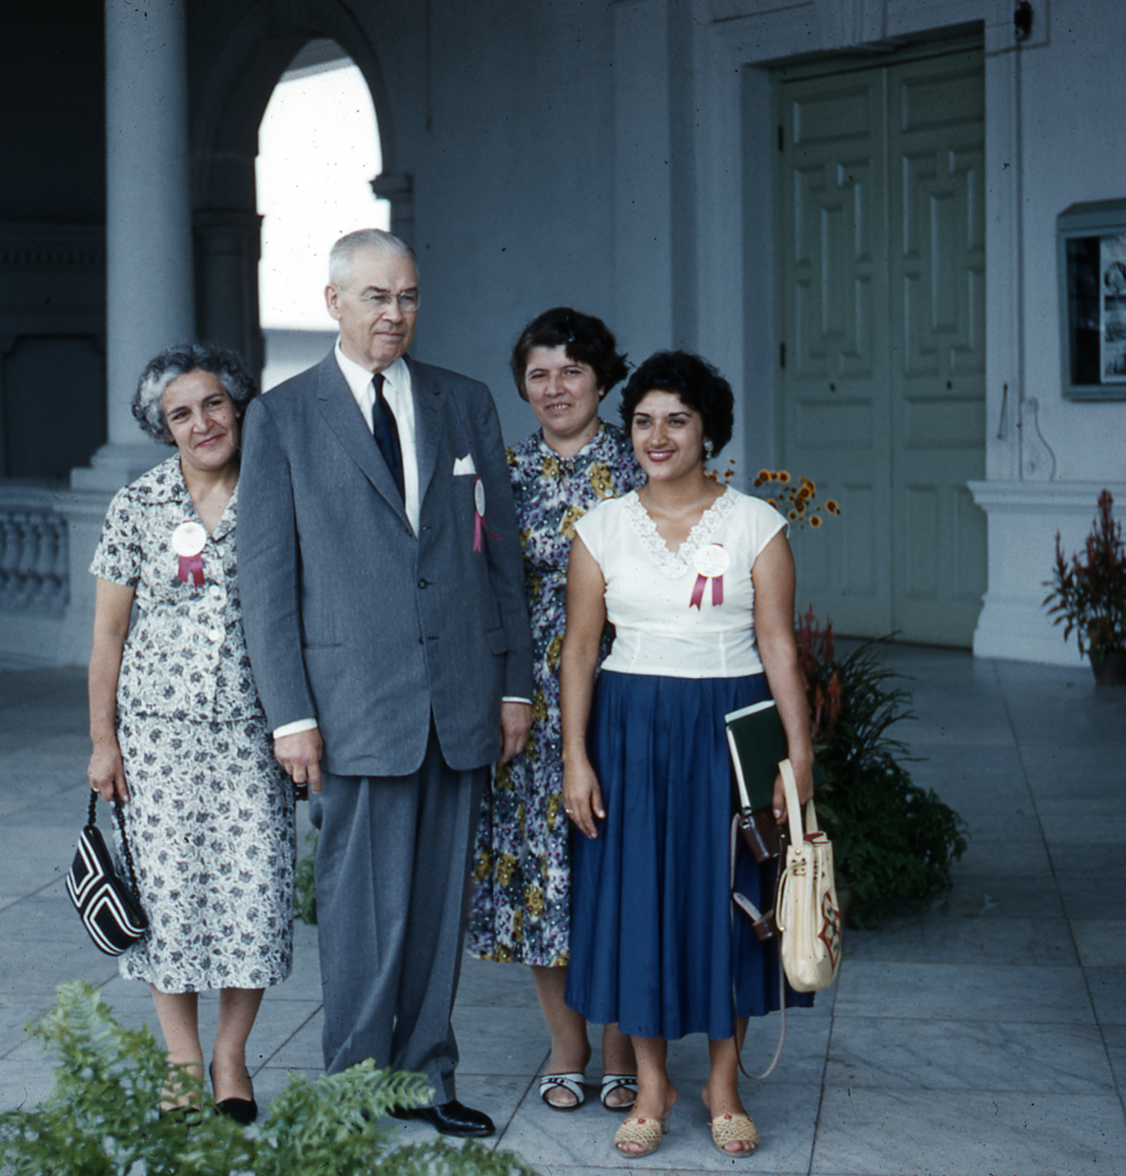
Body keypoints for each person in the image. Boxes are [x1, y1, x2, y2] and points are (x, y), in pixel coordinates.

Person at [238, 229, 532, 1139]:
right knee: (362, 908)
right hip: (351, 703)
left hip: (459, 694)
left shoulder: (464, 401)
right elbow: (266, 584)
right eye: (376, 297)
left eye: (407, 297)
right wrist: (290, 715)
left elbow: (500, 557)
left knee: (439, 906)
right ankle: (351, 1088)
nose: (395, 314)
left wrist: (514, 687)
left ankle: (427, 1077)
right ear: (334, 302)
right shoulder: (282, 417)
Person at [560, 350, 815, 1160]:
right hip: (630, 730)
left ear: (709, 430)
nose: (658, 436)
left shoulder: (756, 524)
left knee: (731, 901)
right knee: (641, 902)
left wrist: (798, 754)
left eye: (677, 420)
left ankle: (723, 1084)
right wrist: (575, 757)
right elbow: (579, 651)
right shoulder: (600, 528)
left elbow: (778, 645)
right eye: (643, 421)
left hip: (732, 727)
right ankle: (652, 1085)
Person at [85, 342, 293, 1126]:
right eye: (181, 414)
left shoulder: (277, 493)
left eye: (213, 404)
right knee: (168, 900)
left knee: (254, 896)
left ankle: (230, 1058)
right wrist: (103, 741)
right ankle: (181, 1061)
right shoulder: (138, 505)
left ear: (238, 406)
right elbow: (108, 636)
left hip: (254, 735)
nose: (202, 423)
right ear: (162, 428)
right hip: (156, 740)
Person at [465, 307, 643, 1113]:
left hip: (627, 683)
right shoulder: (500, 475)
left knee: (620, 866)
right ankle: (567, 1046)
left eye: (572, 370)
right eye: (538, 374)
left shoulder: (638, 464)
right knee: (543, 870)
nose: (555, 387)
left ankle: (623, 1045)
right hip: (528, 701)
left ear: (602, 380)